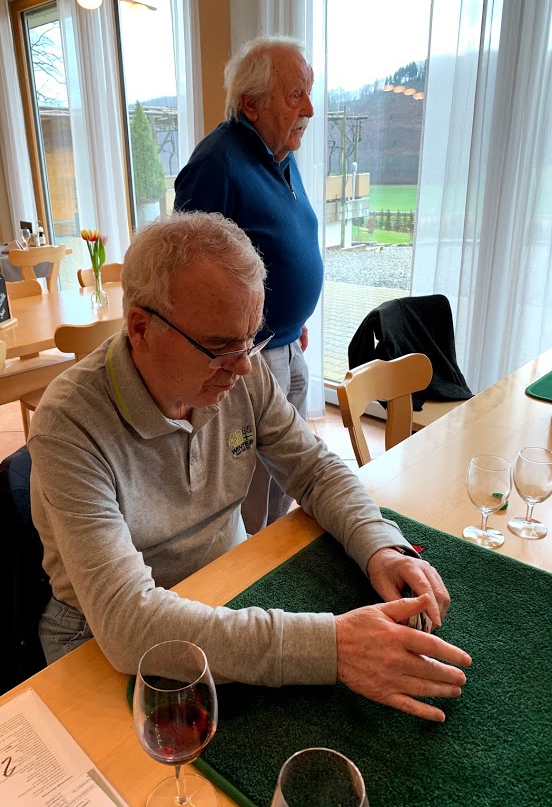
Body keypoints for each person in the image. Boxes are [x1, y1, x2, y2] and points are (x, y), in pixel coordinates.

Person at [29, 212, 471, 723]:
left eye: (251, 339)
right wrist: (335, 647)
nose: (243, 366)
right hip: (99, 641)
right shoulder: (67, 422)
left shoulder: (240, 365)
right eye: (219, 347)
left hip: (229, 586)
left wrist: (379, 546)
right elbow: (128, 625)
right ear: (141, 328)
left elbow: (313, 470)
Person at [174, 35, 320, 534]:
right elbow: (187, 276)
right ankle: (248, 566)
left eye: (309, 93)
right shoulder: (216, 164)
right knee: (252, 486)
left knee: (287, 473)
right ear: (251, 104)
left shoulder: (281, 155)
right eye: (295, 95)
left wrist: (293, 318)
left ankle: (274, 552)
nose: (309, 109)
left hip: (286, 342)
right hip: (246, 357)